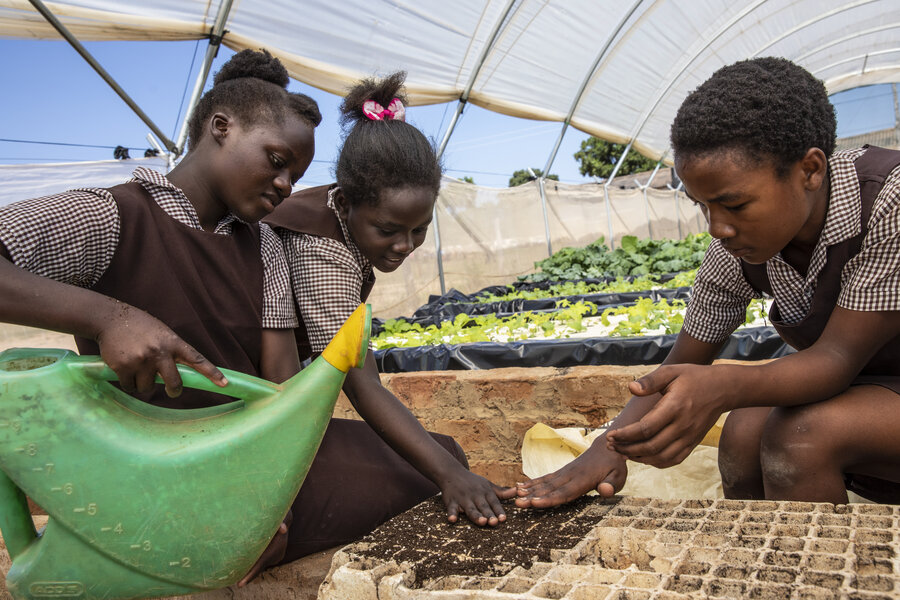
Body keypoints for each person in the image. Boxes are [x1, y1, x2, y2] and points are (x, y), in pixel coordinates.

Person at [515, 57, 900, 507]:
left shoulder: (887, 202)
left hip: (860, 386)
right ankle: (757, 564)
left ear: (810, 170)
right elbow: (684, 359)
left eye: (734, 205)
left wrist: (724, 386)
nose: (716, 228)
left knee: (799, 438)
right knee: (742, 431)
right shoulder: (736, 250)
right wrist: (607, 448)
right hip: (871, 393)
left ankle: (816, 575)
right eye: (703, 207)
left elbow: (835, 359)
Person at [0, 48, 320, 580]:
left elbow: (281, 380)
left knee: (411, 465)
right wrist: (110, 317)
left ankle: (230, 541)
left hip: (245, 455)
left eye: (297, 174)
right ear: (221, 127)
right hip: (142, 462)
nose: (286, 185)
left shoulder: (264, 246)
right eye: (277, 160)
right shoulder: (111, 214)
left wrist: (271, 487)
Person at [264, 72, 516, 563]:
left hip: (278, 413)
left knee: (444, 454)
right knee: (439, 466)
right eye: (388, 230)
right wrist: (448, 475)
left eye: (419, 231)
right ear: (349, 200)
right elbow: (361, 384)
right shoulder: (322, 253)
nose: (404, 246)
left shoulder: (331, 212)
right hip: (254, 430)